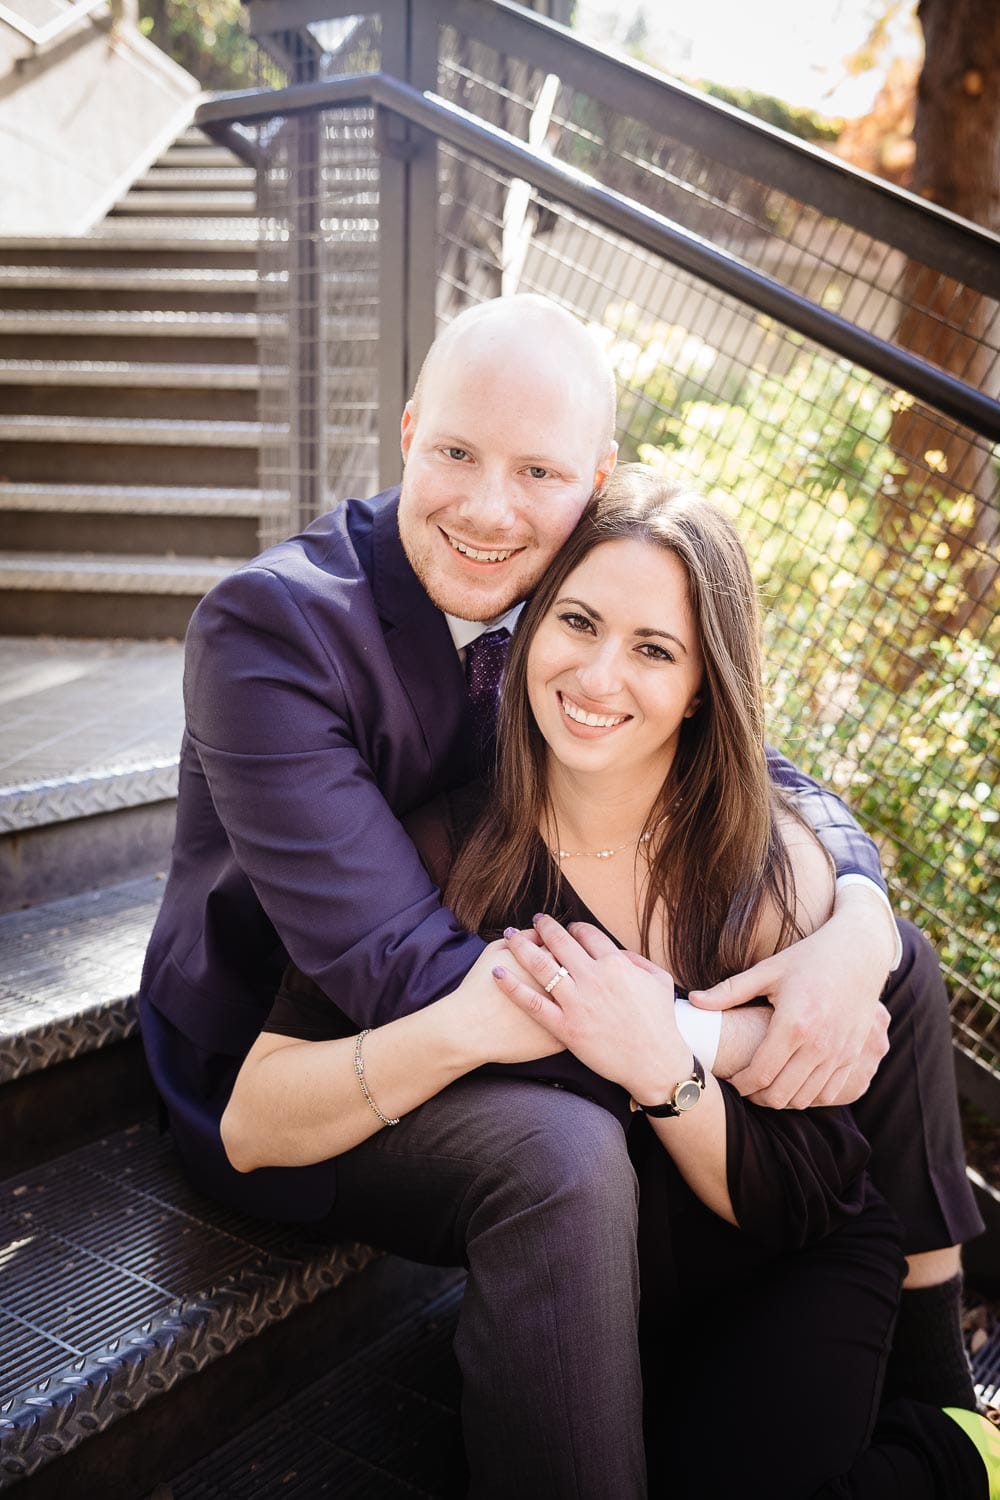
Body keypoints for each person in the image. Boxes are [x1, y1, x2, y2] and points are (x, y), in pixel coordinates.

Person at [138, 295, 982, 1491]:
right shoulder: (271, 629)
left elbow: (740, 751)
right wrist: (716, 1041)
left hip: (518, 972)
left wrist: (850, 912)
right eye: (458, 455)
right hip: (291, 1054)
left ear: (596, 480)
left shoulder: (564, 577)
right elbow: (404, 968)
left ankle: (937, 1389)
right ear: (409, 430)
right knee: (564, 1148)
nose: (488, 508)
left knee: (895, 962)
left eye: (536, 470)